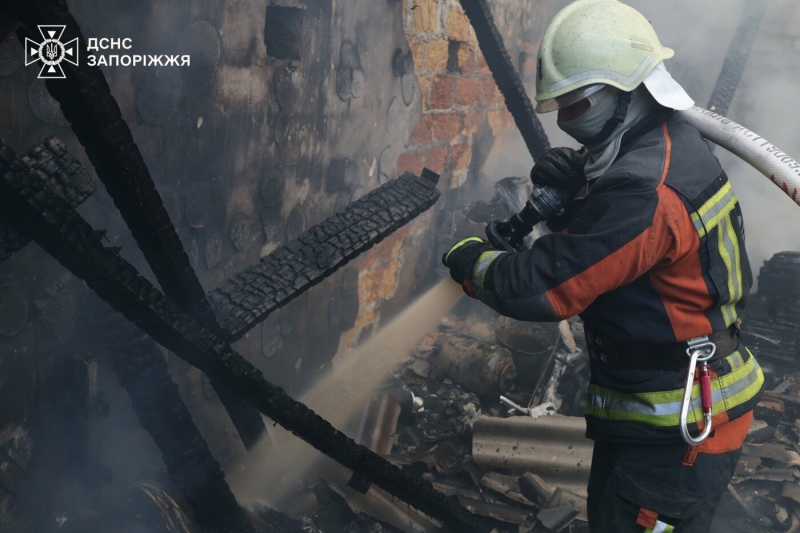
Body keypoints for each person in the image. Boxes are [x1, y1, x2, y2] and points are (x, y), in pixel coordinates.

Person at [442, 0, 764, 531]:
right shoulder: (662, 145)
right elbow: (629, 256)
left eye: (577, 104)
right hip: (654, 415)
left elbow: (545, 288)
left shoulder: (645, 189)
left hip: (676, 434)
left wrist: (474, 263)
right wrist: (580, 197)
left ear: (628, 90)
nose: (567, 120)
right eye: (560, 107)